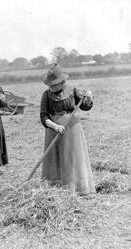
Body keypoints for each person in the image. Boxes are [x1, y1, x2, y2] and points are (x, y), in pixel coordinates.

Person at [40, 63, 95, 195]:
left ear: (62, 82)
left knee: (73, 157)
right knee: (55, 158)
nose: (52, 87)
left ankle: (78, 189)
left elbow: (85, 107)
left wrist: (89, 97)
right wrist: (55, 126)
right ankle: (56, 189)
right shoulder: (46, 95)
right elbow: (43, 116)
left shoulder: (72, 90)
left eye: (54, 84)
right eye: (50, 85)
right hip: (54, 130)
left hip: (72, 128)